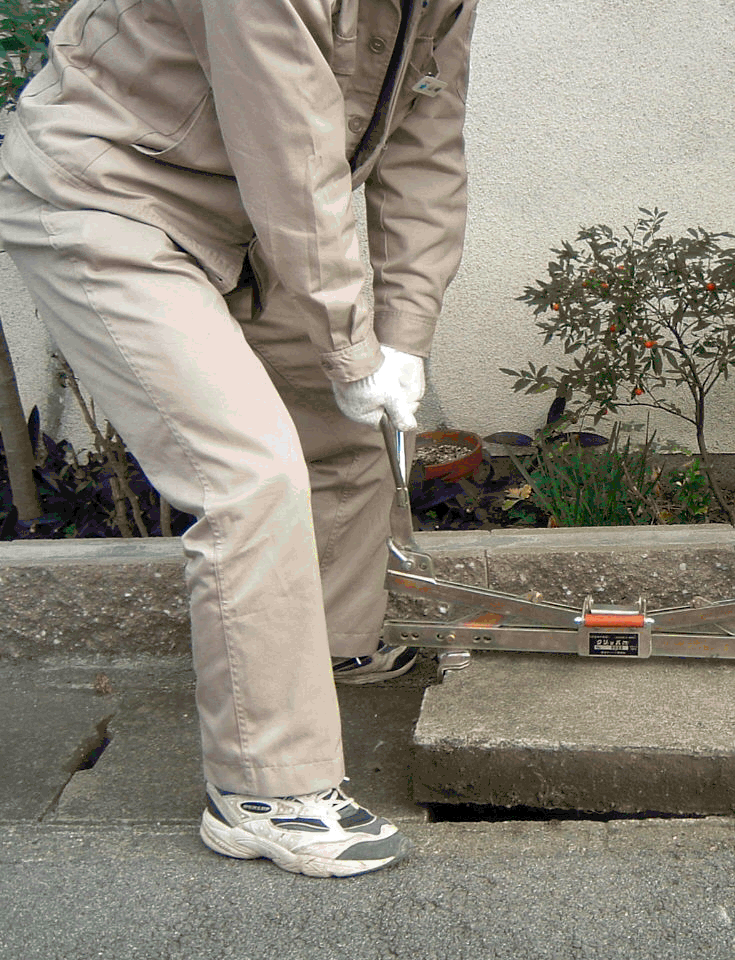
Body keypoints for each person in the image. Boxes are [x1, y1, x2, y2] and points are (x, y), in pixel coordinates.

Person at [0, 0, 478, 876]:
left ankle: (326, 651)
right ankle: (265, 789)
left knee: (342, 428)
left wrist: (402, 332)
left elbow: (423, 142)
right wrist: (349, 336)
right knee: (246, 473)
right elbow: (289, 140)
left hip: (253, 218)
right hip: (109, 196)